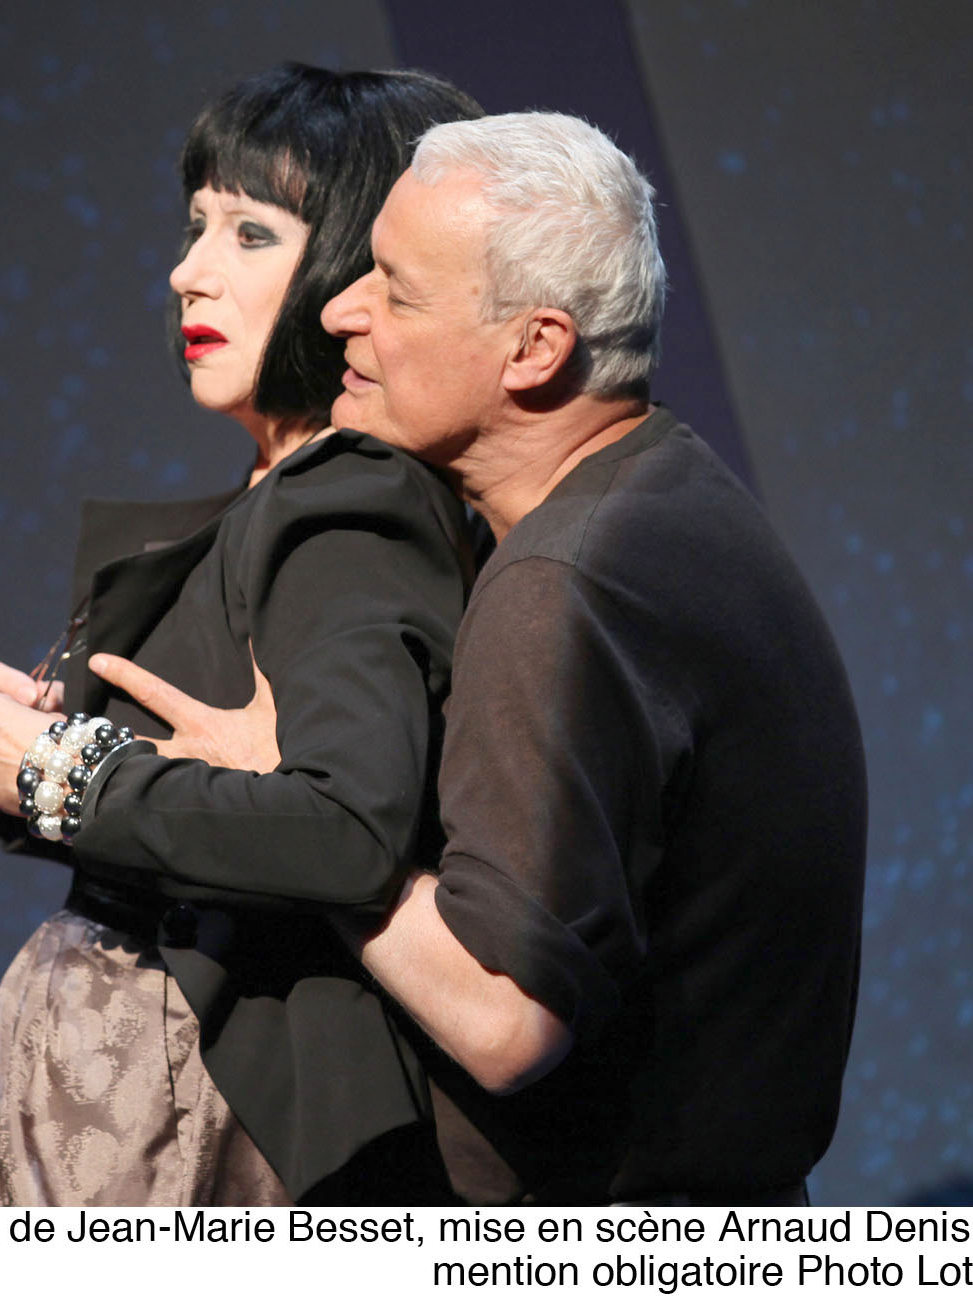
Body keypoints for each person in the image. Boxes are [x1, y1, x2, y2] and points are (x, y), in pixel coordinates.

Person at [95, 111, 869, 1204]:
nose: (342, 310)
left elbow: (504, 1020)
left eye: (398, 292)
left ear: (534, 349)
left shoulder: (559, 583)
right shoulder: (671, 491)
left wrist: (291, 806)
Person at [0, 65, 483, 1205]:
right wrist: (39, 755)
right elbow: (218, 796)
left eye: (250, 233)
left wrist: (63, 773)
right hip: (117, 1080)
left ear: (360, 271)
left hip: (190, 1106)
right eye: (196, 227)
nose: (188, 271)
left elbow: (345, 830)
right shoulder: (279, 492)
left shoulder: (349, 503)